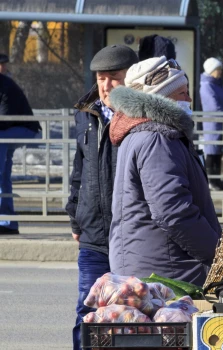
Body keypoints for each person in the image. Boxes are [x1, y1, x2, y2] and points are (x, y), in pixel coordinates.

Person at [108, 56, 221, 286]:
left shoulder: (141, 133)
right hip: (165, 273)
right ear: (161, 98)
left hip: (151, 263)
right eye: (182, 93)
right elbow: (173, 211)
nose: (189, 99)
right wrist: (219, 254)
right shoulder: (157, 138)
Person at [66, 44, 138, 350]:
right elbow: (79, 170)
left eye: (113, 78)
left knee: (134, 317)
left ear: (131, 79)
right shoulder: (86, 115)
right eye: (100, 78)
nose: (105, 85)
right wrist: (75, 216)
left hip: (133, 237)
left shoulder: (141, 116)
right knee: (88, 312)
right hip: (94, 235)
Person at [0, 73, 40, 234]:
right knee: (3, 177)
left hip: (22, 129)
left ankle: (6, 221)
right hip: (7, 131)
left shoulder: (4, 86)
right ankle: (8, 223)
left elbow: (4, 118)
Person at [200, 57, 223, 191]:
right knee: (212, 152)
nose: (220, 72)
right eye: (218, 69)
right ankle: (211, 181)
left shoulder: (217, 84)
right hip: (214, 125)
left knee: (218, 152)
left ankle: (217, 181)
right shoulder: (207, 85)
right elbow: (213, 107)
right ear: (211, 70)